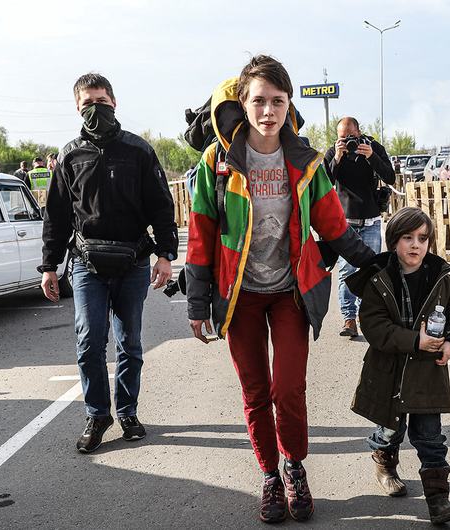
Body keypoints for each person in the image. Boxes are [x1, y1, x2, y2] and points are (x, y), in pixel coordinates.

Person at [184, 55, 375, 524]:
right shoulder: (219, 161)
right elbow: (201, 233)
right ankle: (269, 475)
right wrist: (197, 300)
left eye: (277, 101)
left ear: (288, 105)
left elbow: (334, 226)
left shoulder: (307, 162)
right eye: (258, 101)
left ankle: (294, 467)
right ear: (242, 103)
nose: (267, 110)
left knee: (288, 388)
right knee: (255, 392)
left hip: (292, 291)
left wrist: (380, 266)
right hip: (240, 296)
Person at [40, 72, 177, 454]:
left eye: (100, 101)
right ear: (77, 108)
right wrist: (50, 266)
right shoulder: (69, 155)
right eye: (87, 103)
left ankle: (128, 411)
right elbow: (56, 215)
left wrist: (166, 254)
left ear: (114, 102)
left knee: (129, 344)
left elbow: (162, 207)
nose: (95, 108)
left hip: (132, 261)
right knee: (88, 343)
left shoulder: (139, 151)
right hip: (87, 264)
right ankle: (98, 414)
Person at [346, 206, 450, 524]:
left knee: (431, 438)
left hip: (428, 375)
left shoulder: (440, 278)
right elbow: (374, 327)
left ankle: (438, 502)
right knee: (391, 430)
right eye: (407, 237)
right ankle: (383, 458)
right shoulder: (380, 281)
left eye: (423, 238)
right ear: (392, 241)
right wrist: (414, 341)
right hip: (390, 375)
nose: (416, 245)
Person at [323, 116, 395, 338]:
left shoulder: (372, 148)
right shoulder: (334, 152)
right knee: (346, 271)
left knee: (371, 271)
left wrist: (371, 156)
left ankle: (368, 317)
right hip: (345, 224)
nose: (348, 142)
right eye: (343, 138)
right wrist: (337, 157)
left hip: (371, 221)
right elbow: (325, 183)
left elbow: (390, 177)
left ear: (359, 132)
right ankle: (349, 319)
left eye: (351, 137)